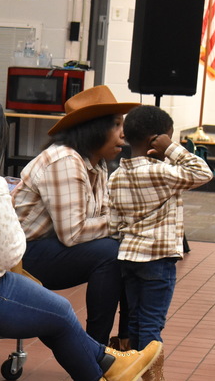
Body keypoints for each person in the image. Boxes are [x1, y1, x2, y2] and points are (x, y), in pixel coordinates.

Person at [0, 93, 163, 381]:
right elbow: (9, 255)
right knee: (60, 311)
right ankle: (109, 364)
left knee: (54, 313)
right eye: (116, 125)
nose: (123, 134)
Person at [12, 85, 140, 345]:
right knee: (110, 253)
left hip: (47, 247)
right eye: (116, 125)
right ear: (94, 128)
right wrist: (123, 222)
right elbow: (74, 233)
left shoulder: (96, 163)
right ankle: (95, 351)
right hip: (20, 257)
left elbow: (104, 214)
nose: (123, 134)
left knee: (131, 248)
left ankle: (127, 342)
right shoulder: (64, 160)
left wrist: (126, 227)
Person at [109, 105, 212, 381]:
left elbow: (114, 224)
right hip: (158, 260)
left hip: (128, 257)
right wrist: (173, 149)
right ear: (159, 138)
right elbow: (203, 172)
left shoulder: (117, 175)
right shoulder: (162, 171)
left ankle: (138, 380)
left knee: (138, 319)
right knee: (153, 324)